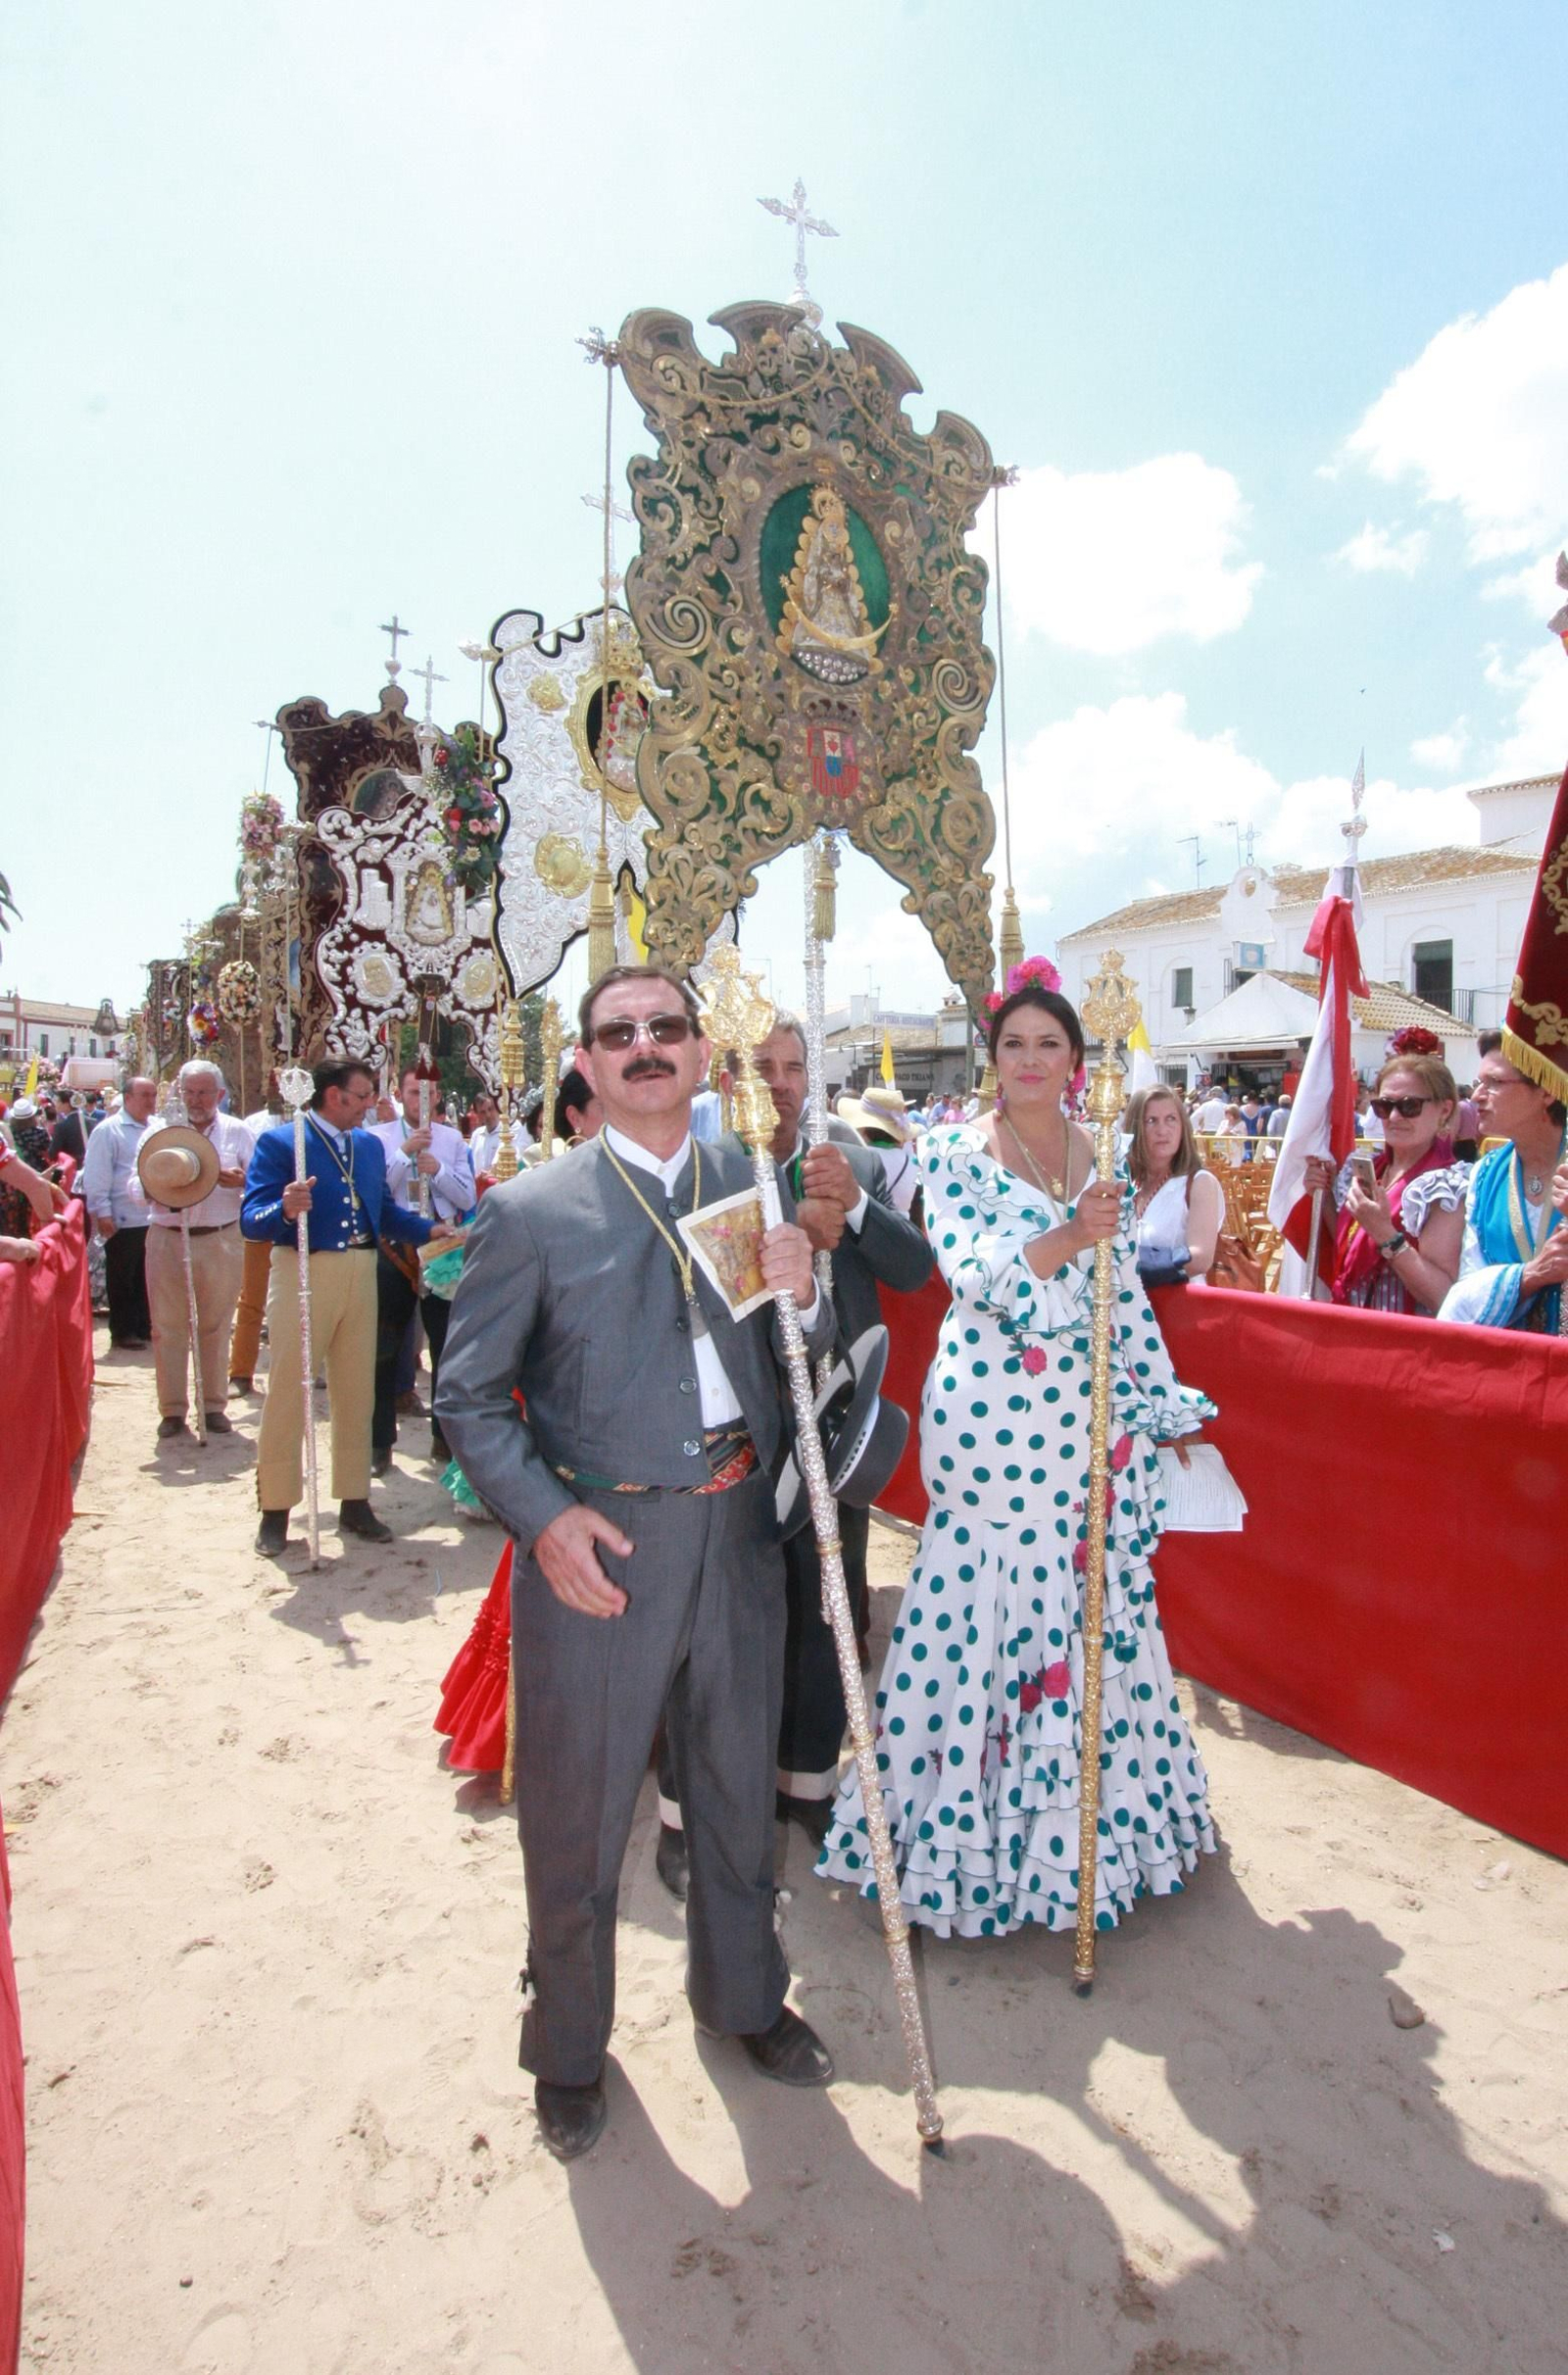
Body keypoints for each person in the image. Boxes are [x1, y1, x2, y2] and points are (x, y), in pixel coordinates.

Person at [436, 963, 836, 2162]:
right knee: (575, 1811)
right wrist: (545, 1520)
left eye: (667, 1028)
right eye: (621, 1034)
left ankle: (745, 1998)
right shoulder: (534, 1209)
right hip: (597, 1550)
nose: (646, 1046)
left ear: (702, 1053)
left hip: (733, 1538)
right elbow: (466, 1399)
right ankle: (567, 2045)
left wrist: (801, 1296)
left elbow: (789, 1359)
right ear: (590, 1064)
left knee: (729, 1790)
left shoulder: (745, 1182)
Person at [816, 970, 1216, 1939]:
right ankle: (955, 1840)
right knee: (979, 1604)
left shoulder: (1097, 1148)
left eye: (1048, 1043)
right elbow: (975, 1271)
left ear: (1075, 1059)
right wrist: (1067, 1234)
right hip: (993, 1418)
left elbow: (1119, 1287)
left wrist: (1154, 1401)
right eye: (1013, 1045)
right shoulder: (952, 1150)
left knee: (1091, 1603)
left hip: (1084, 1415)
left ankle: (1090, 1839)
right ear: (990, 1062)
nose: (1031, 1059)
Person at [655, 1016, 932, 1893]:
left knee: (828, 1611)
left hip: (832, 1423)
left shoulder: (843, 1159)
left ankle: (807, 1779)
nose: (778, 1083)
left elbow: (914, 1266)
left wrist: (850, 1207)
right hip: (734, 1436)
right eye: (760, 1066)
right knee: (715, 1628)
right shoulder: (701, 1169)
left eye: (792, 1067)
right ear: (728, 1072)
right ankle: (682, 1808)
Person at [243, 1058, 453, 1555]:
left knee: (357, 1390)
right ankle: (276, 1508)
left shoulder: (367, 1145)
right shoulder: (282, 1142)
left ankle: (355, 1499)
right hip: (303, 1268)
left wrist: (429, 1230)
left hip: (363, 1269)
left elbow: (382, 1213)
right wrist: (284, 1208)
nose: (367, 1106)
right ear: (333, 1095)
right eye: (360, 1097)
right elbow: (252, 1219)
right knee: (290, 1390)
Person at [136, 1061, 254, 1444]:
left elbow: (261, 1182)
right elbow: (134, 1187)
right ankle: (172, 1410)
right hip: (168, 1236)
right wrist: (160, 1185)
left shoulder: (238, 1132)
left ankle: (214, 1405)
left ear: (219, 1094)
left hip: (220, 1237)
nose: (196, 1099)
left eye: (203, 1092)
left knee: (217, 1324)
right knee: (167, 1326)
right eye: (189, 1092)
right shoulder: (160, 1132)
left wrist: (243, 1182)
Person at [1301, 1046, 1468, 1315]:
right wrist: (1323, 1197)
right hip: (1352, 1322)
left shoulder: (1444, 1186)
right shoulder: (1374, 1169)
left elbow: (1442, 1296)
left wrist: (1384, 1233)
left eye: (1410, 1106)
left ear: (1444, 1110)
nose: (1393, 1117)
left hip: (1402, 1336)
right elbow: (1352, 1249)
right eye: (1384, 1106)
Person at [369, 1066, 475, 1470]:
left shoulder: (451, 1139)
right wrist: (405, 1154)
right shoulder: (379, 1138)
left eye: (430, 1094)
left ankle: (444, 1439)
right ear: (401, 1094)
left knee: (446, 1346)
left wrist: (439, 1169)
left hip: (442, 1246)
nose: (422, 1102)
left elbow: (465, 1194)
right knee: (385, 1346)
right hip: (395, 1245)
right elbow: (376, 1190)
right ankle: (380, 1442)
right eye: (414, 1093)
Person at [1437, 1030, 1567, 1331]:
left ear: (1546, 1090)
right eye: (1479, 1082)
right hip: (1510, 1366)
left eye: (1495, 1083)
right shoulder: (1485, 1175)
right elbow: (1466, 1290)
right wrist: (1530, 1276)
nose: (1477, 1096)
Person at [79, 1074, 158, 1347]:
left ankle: (144, 1326)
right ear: (128, 1098)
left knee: (146, 1276)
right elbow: (97, 1174)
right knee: (122, 1276)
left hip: (152, 1216)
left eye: (153, 1095)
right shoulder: (108, 1130)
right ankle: (123, 1330)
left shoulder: (158, 1127)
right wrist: (102, 1211)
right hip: (123, 1217)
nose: (150, 1101)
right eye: (144, 1095)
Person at [1125, 1086, 1225, 1286]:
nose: (1162, 1130)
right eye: (1151, 1121)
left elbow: (1200, 1258)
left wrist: (1134, 1268)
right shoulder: (1127, 1183)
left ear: (1183, 1126)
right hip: (1129, 1307)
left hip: (1179, 1306)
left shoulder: (1199, 1182)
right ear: (1136, 1129)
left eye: (1171, 1119)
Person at [835, 1083, 922, 1219]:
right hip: (900, 1234)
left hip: (862, 1233)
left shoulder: (855, 1158)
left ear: (864, 1127)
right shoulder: (911, 1162)